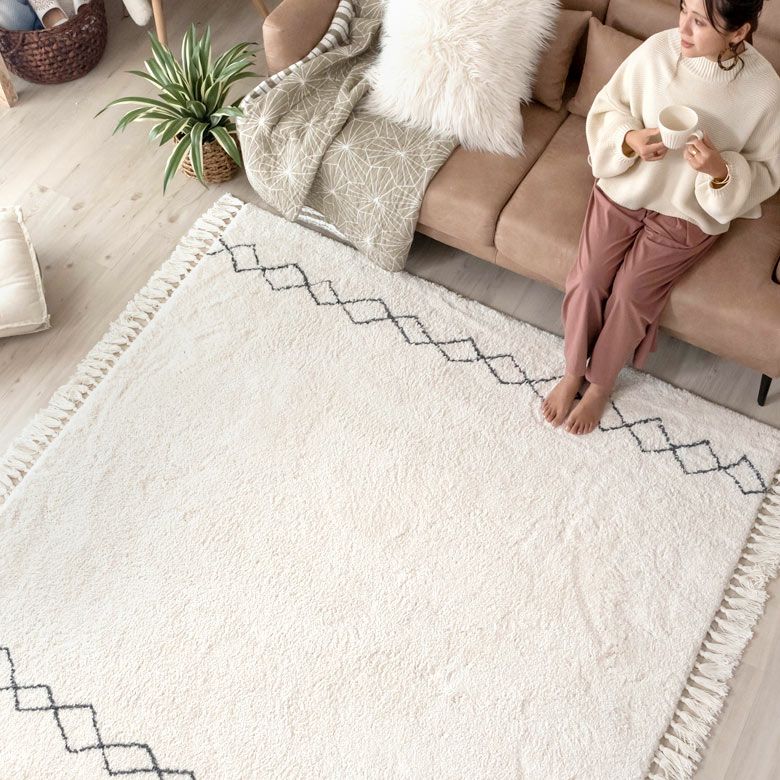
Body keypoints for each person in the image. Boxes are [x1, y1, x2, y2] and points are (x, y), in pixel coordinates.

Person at [541, 0, 780, 434]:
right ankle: (573, 370)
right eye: (684, 10)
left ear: (739, 32)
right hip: (627, 188)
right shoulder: (658, 50)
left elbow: (767, 171)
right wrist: (630, 140)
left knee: (631, 294)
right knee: (588, 278)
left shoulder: (764, 91)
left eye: (699, 22)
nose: (682, 28)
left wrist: (720, 171)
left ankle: (600, 385)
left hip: (688, 212)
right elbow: (609, 106)